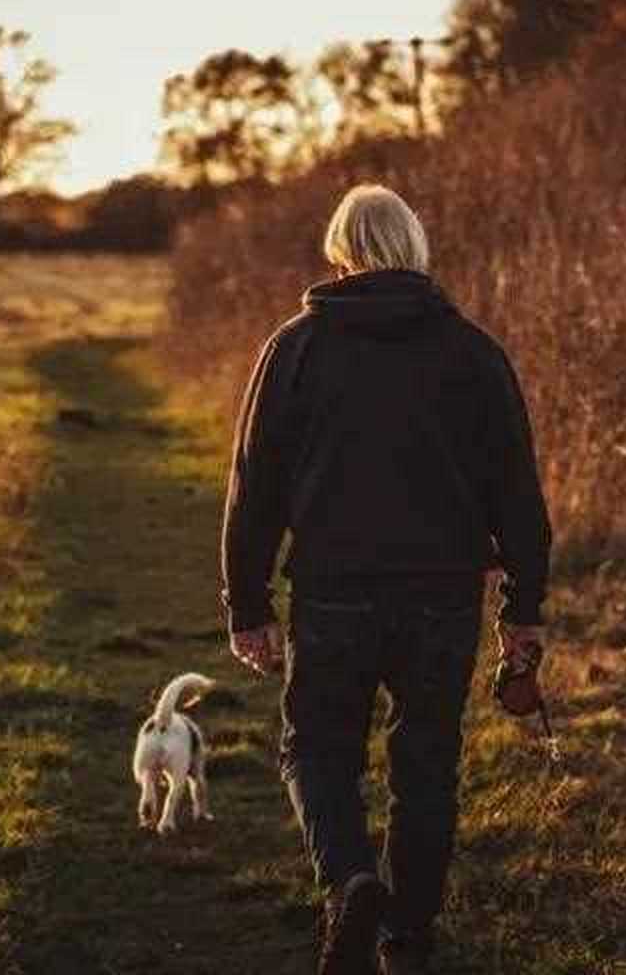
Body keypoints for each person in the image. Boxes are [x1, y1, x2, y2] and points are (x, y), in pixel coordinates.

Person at [220, 183, 552, 975]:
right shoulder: (473, 353)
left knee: (316, 749)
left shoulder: (295, 348)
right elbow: (518, 492)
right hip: (442, 597)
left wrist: (249, 604)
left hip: (332, 592)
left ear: (339, 250)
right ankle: (409, 935)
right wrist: (525, 608)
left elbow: (253, 483)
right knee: (428, 759)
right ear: (415, 247)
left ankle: (350, 882)